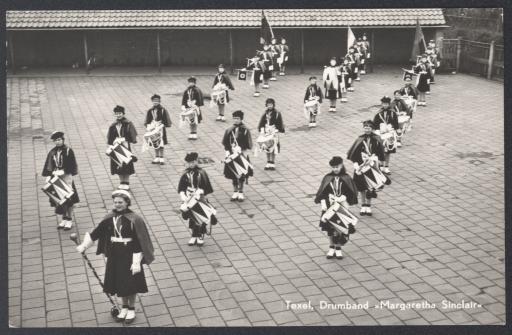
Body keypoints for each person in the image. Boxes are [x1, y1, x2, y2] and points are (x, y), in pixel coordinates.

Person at [75, 190, 154, 324]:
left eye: (120, 202)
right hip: (114, 254)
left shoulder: (135, 219)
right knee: (119, 281)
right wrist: (84, 245)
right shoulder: (109, 217)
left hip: (130, 253)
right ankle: (124, 307)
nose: (117, 205)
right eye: (115, 202)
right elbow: (97, 232)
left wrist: (136, 261)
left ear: (127, 203)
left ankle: (131, 308)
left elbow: (139, 240)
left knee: (131, 282)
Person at [314, 156, 358, 259]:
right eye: (333, 167)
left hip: (342, 205)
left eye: (337, 167)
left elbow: (351, 191)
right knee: (329, 227)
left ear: (342, 165)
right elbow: (323, 192)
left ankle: (338, 248)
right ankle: (331, 247)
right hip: (330, 205)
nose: (335, 169)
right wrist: (324, 204)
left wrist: (344, 197)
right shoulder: (328, 177)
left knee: (340, 227)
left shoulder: (346, 178)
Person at [346, 120, 387, 216]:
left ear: (372, 129)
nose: (367, 130)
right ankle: (363, 205)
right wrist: (356, 164)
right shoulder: (360, 139)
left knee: (370, 186)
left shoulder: (376, 139)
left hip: (372, 165)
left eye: (369, 128)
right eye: (365, 128)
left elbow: (380, 152)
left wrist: (379, 163)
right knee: (361, 187)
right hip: (361, 165)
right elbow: (354, 153)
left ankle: (368, 205)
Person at [42, 131, 80, 230]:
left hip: (66, 177)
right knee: (59, 198)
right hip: (56, 177)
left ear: (63, 140)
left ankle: (69, 219)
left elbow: (72, 165)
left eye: (59, 140)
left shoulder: (68, 150)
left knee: (68, 197)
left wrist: (63, 171)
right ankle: (64, 218)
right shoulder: (52, 152)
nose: (58, 142)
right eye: (56, 140)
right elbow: (49, 165)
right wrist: (49, 176)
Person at [178, 152, 217, 246]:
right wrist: (183, 194)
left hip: (199, 198)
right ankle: (193, 235)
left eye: (192, 162)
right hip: (189, 198)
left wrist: (201, 191)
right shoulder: (185, 173)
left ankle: (200, 235)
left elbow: (206, 186)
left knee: (201, 216)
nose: (190, 164)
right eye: (189, 163)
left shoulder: (201, 173)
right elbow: (181, 186)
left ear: (196, 161)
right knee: (192, 217)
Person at [222, 110, 253, 201]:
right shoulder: (229, 129)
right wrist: (227, 151)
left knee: (242, 173)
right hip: (232, 154)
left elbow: (249, 143)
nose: (236, 120)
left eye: (238, 119)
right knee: (233, 173)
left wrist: (242, 149)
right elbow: (225, 142)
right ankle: (235, 191)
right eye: (234, 118)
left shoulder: (245, 130)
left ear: (241, 119)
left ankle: (241, 192)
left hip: (241, 154)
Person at [107, 105, 138, 190]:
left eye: (120, 113)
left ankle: (126, 182)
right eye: (116, 114)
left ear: (123, 114)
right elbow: (110, 136)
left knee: (126, 163)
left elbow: (133, 135)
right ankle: (122, 182)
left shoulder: (128, 123)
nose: (118, 115)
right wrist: (111, 143)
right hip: (116, 145)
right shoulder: (113, 125)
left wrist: (124, 138)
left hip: (125, 145)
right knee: (118, 164)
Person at [257, 98, 285, 170]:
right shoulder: (265, 113)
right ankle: (268, 161)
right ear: (266, 105)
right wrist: (262, 129)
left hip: (273, 131)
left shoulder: (277, 113)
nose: (270, 106)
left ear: (273, 105)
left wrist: (278, 129)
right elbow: (262, 122)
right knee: (266, 146)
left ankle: (272, 162)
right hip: (266, 131)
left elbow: (279, 122)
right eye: (268, 104)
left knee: (273, 146)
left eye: (271, 104)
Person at [373, 96, 399, 174]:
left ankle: (386, 166)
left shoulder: (392, 113)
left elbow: (396, 123)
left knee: (388, 151)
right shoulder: (378, 113)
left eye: (387, 104)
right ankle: (381, 165)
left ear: (389, 104)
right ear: (381, 104)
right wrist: (377, 131)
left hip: (389, 133)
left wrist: (393, 129)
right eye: (384, 104)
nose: (385, 105)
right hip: (381, 134)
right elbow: (375, 124)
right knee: (381, 150)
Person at [144, 94, 172, 165]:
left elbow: (166, 120)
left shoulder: (163, 110)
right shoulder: (150, 110)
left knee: (161, 143)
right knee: (155, 143)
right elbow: (148, 120)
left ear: (159, 101)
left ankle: (161, 157)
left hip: (160, 129)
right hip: (153, 129)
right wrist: (149, 126)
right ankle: (157, 157)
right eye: (154, 101)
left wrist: (162, 124)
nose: (155, 102)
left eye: (157, 101)